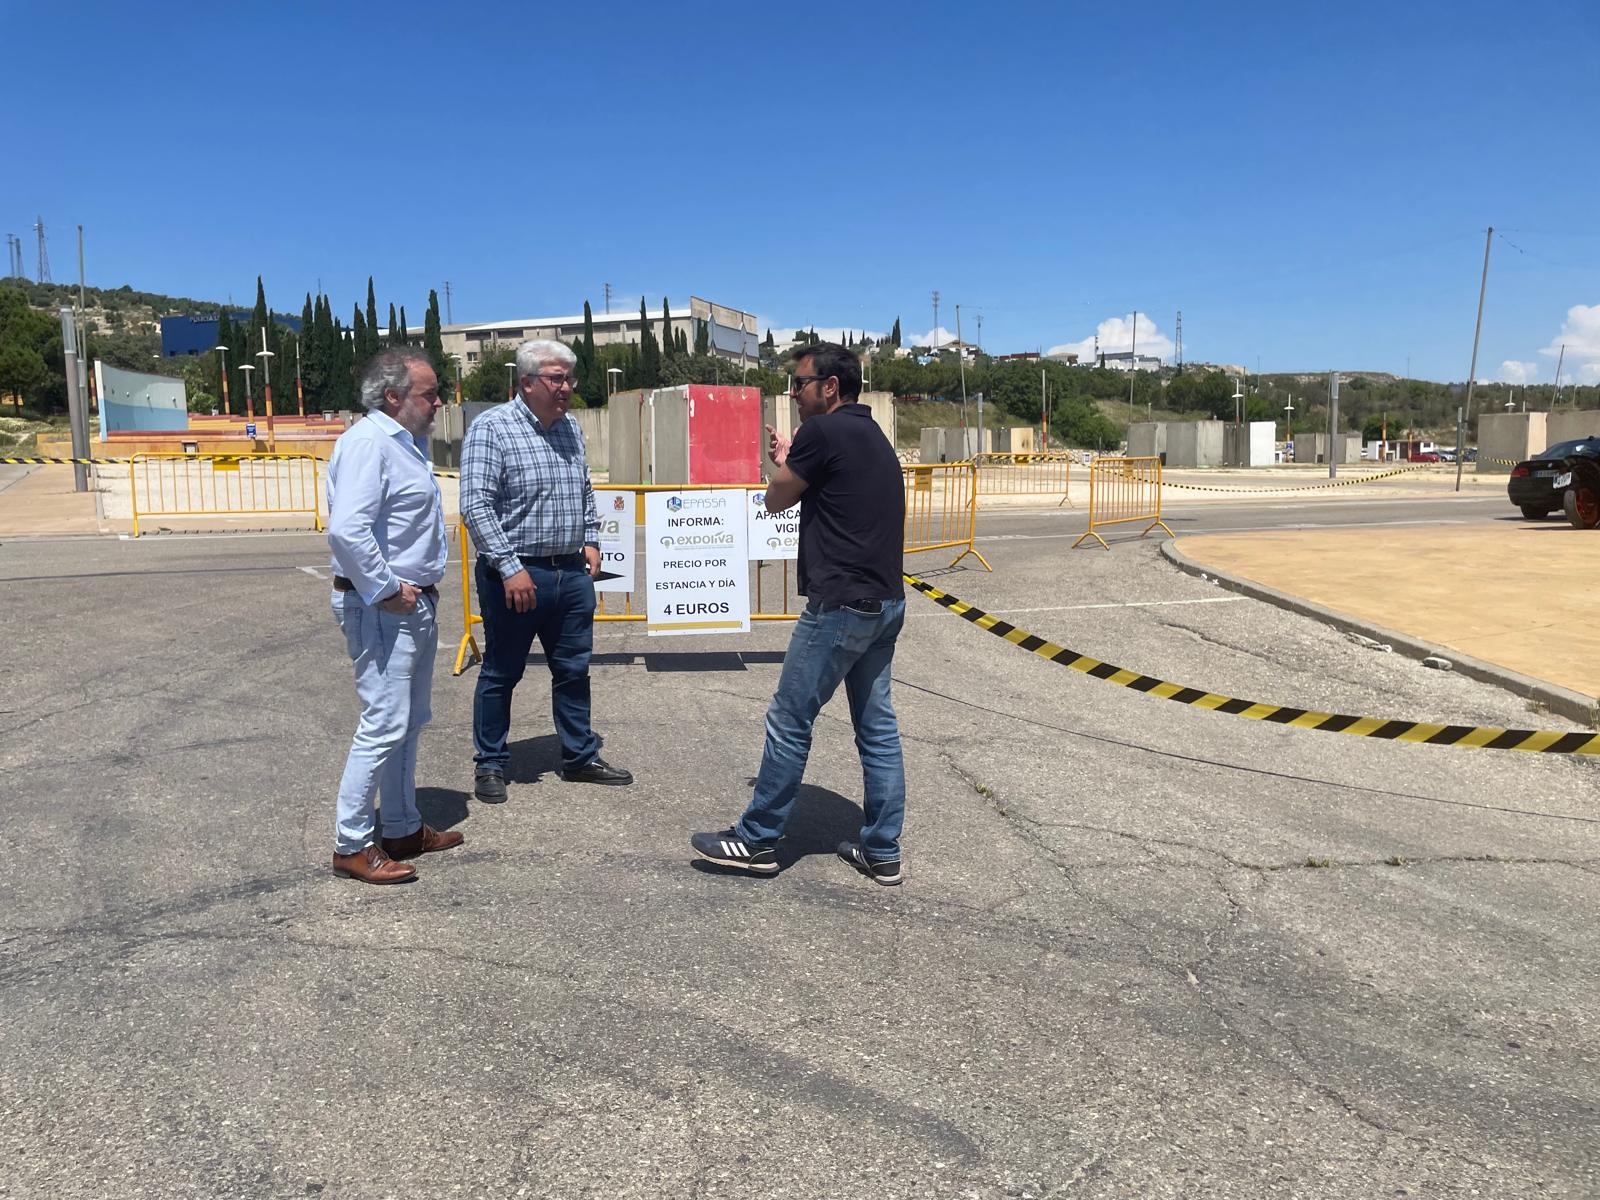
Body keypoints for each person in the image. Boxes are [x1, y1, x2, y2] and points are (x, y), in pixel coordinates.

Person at [691, 342, 908, 884]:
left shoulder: (824, 432)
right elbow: (816, 482)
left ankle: (757, 839)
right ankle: (882, 848)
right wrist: (795, 462)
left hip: (839, 607)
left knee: (789, 720)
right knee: (877, 729)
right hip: (884, 603)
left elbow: (776, 499)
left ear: (829, 386)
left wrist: (785, 463)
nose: (792, 393)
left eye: (798, 384)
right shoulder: (871, 432)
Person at [460, 339, 632, 801]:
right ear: (527, 382)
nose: (567, 387)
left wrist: (593, 539)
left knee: (574, 670)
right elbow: (475, 505)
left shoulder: (570, 427)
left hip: (571, 574)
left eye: (569, 378)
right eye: (557, 378)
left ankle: (579, 756)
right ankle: (491, 764)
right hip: (517, 577)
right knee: (502, 671)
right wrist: (510, 568)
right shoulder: (492, 429)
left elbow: (584, 489)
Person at [327, 348, 461, 884]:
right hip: (384, 606)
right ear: (393, 396)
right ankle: (351, 844)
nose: (438, 403)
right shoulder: (367, 444)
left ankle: (403, 826)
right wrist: (385, 590)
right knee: (383, 723)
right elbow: (347, 530)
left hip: (412, 602)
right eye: (429, 394)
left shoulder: (407, 445)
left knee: (409, 721)